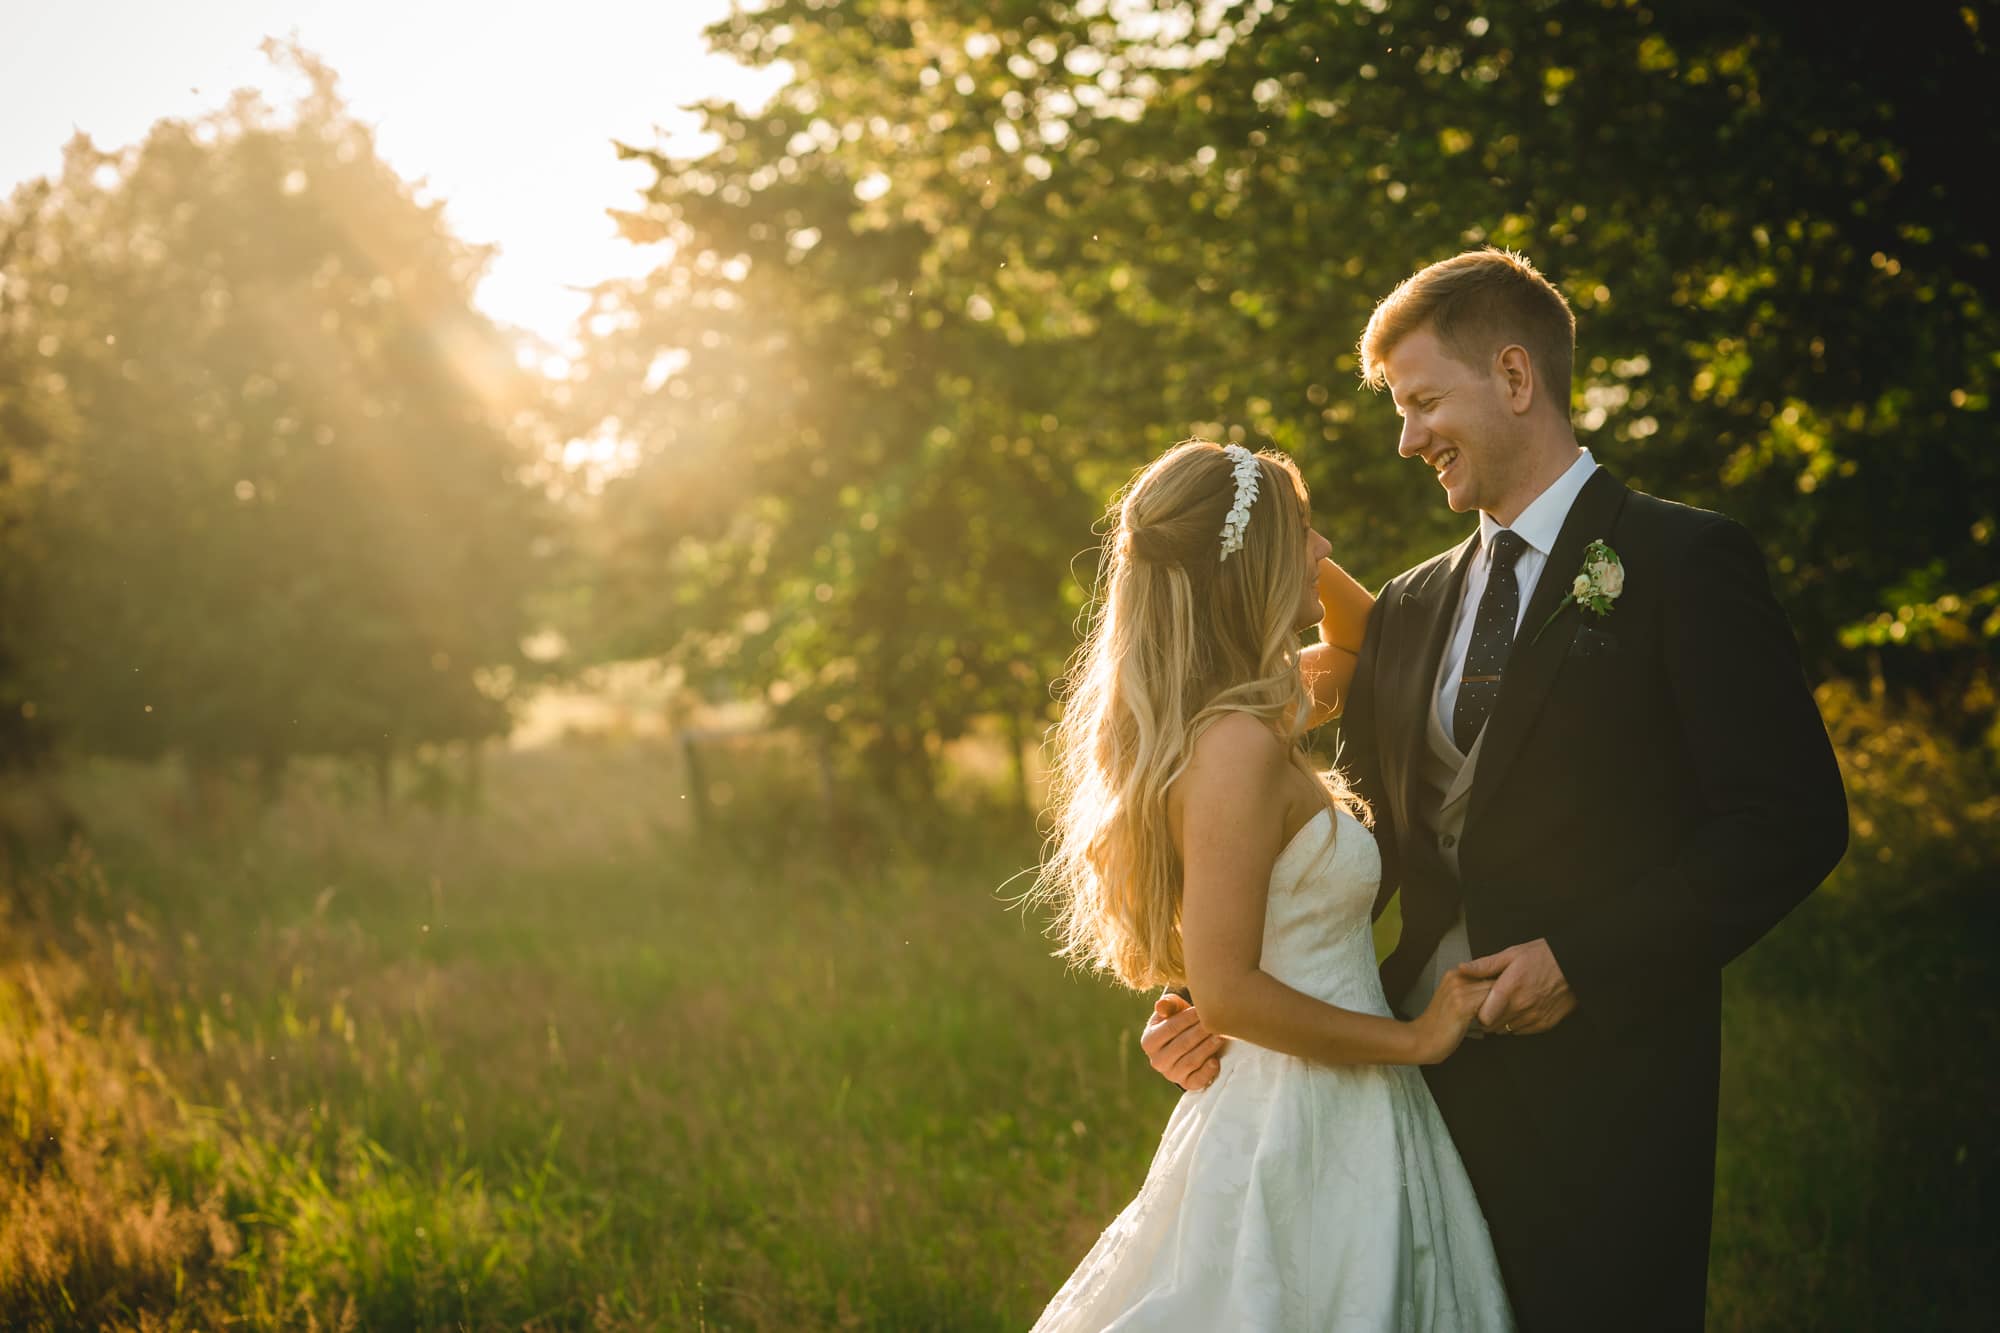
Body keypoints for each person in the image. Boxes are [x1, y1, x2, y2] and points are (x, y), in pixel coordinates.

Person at [1143, 249, 1849, 1330]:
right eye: (1397, 407)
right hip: (1408, 1090)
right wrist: (1217, 1007)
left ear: (1514, 377)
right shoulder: (1413, 607)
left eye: (1421, 400)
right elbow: (1336, 834)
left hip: (1612, 1092)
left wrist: (1581, 960)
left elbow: (1785, 821)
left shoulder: (1681, 560)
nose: (1404, 437)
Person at [1029, 440, 1514, 1330]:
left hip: (1339, 1099)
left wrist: (1262, 512)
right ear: (1252, 563)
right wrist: (1416, 1040)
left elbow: (1367, 640)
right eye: (1303, 534)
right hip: (1302, 1111)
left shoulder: (1254, 708)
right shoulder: (1238, 745)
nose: (1326, 548)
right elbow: (1227, 989)